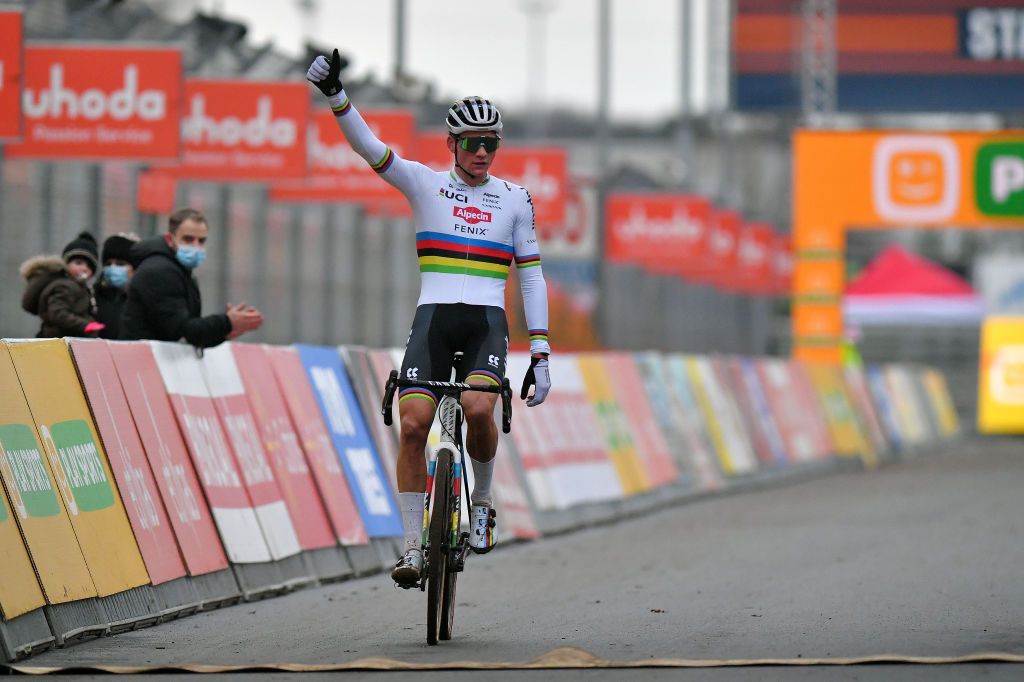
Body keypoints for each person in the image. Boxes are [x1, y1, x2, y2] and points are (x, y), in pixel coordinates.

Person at [307, 49, 552, 586]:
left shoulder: (515, 200)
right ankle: (412, 549)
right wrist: (336, 97)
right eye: (472, 143)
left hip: (487, 319)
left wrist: (540, 350)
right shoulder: (424, 183)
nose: (483, 152)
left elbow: (530, 276)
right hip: (433, 321)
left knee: (479, 407)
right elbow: (369, 148)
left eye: (491, 143)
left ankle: (482, 503)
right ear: (452, 145)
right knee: (414, 425)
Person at [119, 208, 263, 348]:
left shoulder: (179, 271)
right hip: (143, 365)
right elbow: (182, 331)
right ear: (170, 240)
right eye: (188, 239)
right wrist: (226, 322)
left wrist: (225, 331)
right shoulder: (159, 272)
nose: (196, 246)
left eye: (201, 241)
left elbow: (188, 337)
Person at [19, 231, 106, 338]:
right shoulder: (64, 286)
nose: (84, 268)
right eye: (78, 263)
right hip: (57, 342)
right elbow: (58, 314)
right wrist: (86, 325)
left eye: (89, 266)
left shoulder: (81, 288)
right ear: (66, 265)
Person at [94, 232, 140, 340]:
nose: (112, 268)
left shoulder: (142, 299)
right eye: (108, 264)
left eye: (120, 264)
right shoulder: (93, 296)